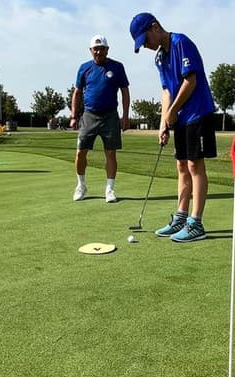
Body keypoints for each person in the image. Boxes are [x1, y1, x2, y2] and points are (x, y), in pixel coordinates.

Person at [129, 13, 216, 242]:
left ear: (155, 27)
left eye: (145, 39)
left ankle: (196, 223)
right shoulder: (160, 58)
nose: (146, 46)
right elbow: (167, 91)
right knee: (181, 166)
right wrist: (163, 123)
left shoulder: (181, 43)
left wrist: (173, 111)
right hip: (181, 117)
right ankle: (181, 216)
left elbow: (191, 81)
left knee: (195, 165)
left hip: (198, 112)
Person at [70, 34, 130, 202]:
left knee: (110, 153)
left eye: (102, 49)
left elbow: (125, 91)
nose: (99, 52)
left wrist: (125, 116)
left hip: (110, 115)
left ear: (107, 50)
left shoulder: (117, 67)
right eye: (96, 49)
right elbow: (77, 92)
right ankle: (81, 186)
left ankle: (109, 189)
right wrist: (74, 116)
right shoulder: (84, 68)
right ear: (91, 50)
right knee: (80, 152)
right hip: (89, 115)